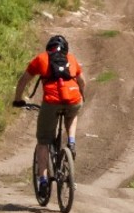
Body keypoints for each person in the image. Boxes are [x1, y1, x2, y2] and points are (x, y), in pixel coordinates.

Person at [12, 34, 86, 197]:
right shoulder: (71, 59)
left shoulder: (41, 59)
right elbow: (82, 81)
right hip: (73, 98)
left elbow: (23, 80)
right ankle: (71, 142)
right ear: (65, 49)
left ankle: (43, 180)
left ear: (48, 48)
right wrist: (82, 96)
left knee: (44, 141)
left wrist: (18, 100)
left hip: (51, 101)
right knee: (73, 114)